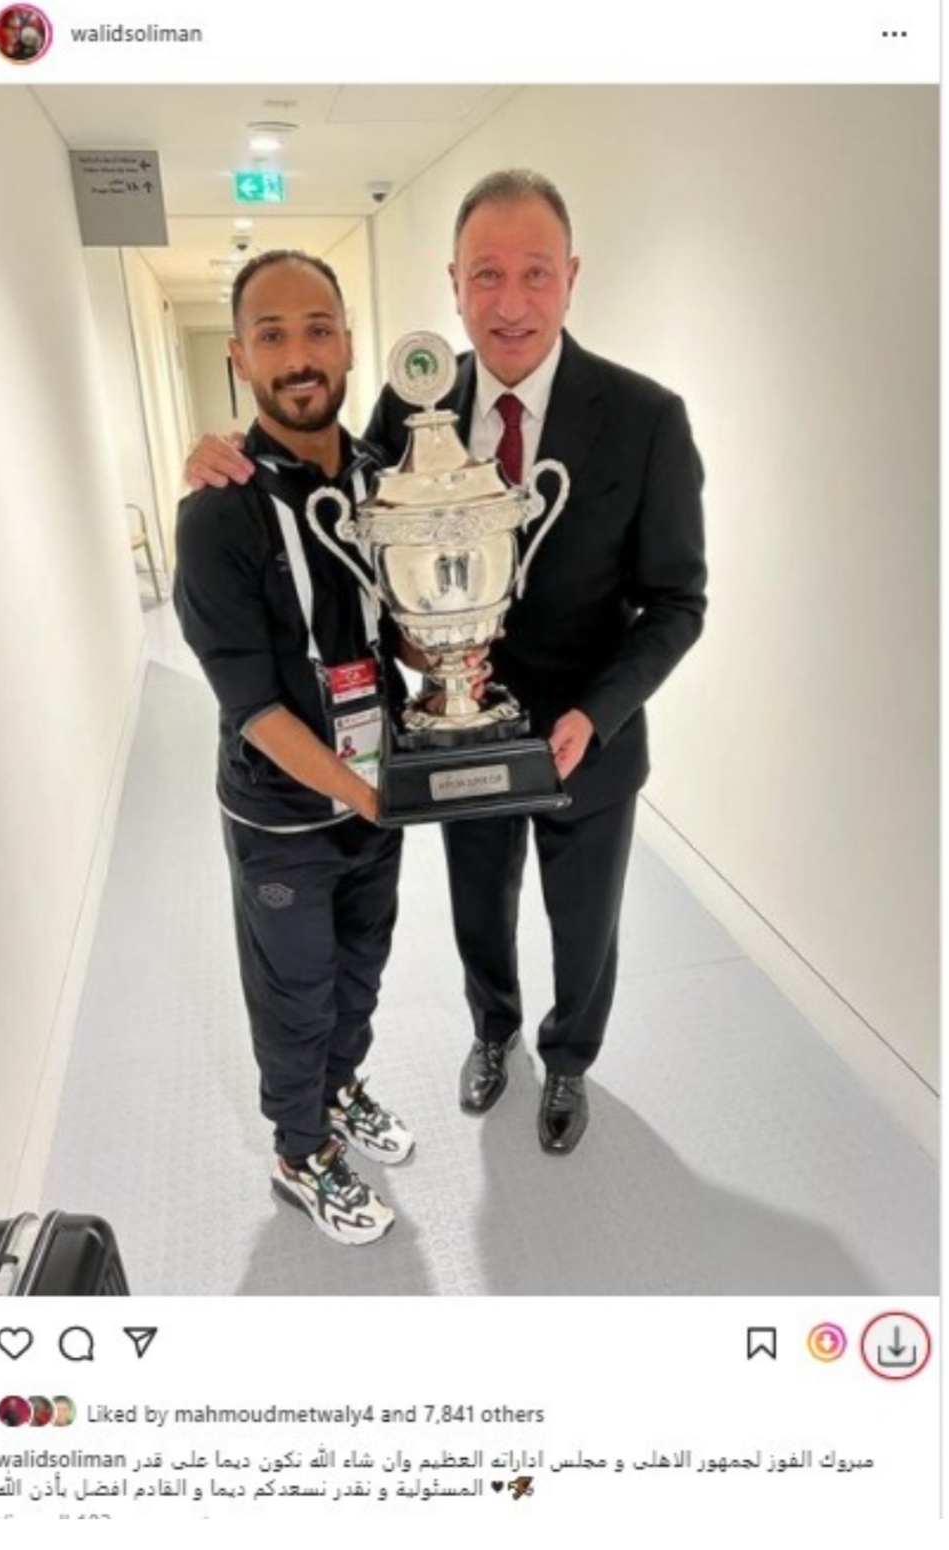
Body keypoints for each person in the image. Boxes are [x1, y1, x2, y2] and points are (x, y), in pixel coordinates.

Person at [185, 170, 707, 1157]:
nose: (510, 302)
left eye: (535, 273)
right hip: (450, 731)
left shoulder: (647, 417)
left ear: (571, 279)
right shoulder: (413, 399)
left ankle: (568, 1058)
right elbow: (336, 493)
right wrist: (220, 457)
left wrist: (594, 712)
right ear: (455, 286)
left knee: (584, 922)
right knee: (479, 908)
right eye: (486, 275)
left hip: (589, 739)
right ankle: (492, 1031)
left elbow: (677, 603)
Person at [174, 250, 412, 1247]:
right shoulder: (216, 513)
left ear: (348, 343)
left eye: (317, 328)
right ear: (240, 357)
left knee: (362, 967)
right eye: (271, 335)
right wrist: (368, 796)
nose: (299, 355)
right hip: (284, 813)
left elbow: (401, 629)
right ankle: (300, 1150)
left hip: (376, 786)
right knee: (296, 989)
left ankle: (340, 1087)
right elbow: (256, 709)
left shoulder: (387, 481)